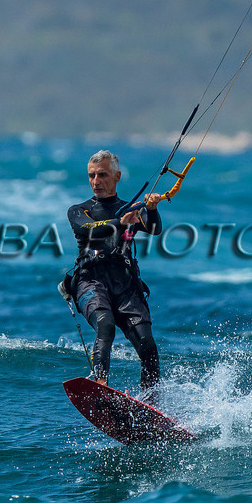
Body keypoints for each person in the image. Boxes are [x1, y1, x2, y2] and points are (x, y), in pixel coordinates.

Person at [64, 149, 164, 391]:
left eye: (103, 175)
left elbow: (154, 228)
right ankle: (100, 382)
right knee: (105, 324)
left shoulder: (131, 209)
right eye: (92, 176)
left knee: (148, 346)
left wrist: (151, 208)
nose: (96, 182)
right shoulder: (79, 210)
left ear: (117, 177)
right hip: (91, 282)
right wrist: (121, 222)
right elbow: (89, 229)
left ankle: (151, 401)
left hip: (125, 285)